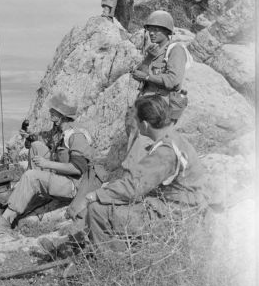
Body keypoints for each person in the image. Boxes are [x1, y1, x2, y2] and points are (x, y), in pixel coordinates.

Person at [67, 95, 206, 255]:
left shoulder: (165, 151)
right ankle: (86, 244)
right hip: (180, 207)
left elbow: (133, 187)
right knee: (111, 201)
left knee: (97, 210)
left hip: (177, 216)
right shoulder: (173, 139)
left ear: (145, 125)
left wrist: (91, 197)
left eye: (137, 120)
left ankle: (111, 262)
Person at [0, 94, 98, 235]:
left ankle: (4, 222)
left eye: (53, 111)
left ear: (62, 115)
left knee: (31, 176)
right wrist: (29, 136)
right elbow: (43, 138)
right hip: (61, 176)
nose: (50, 113)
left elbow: (78, 169)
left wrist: (47, 164)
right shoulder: (60, 131)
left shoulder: (75, 136)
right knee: (36, 145)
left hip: (73, 185)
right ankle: (30, 193)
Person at [123, 10, 190, 171]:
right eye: (149, 29)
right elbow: (137, 74)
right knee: (134, 140)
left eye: (156, 29)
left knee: (146, 144)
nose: (151, 33)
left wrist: (147, 77)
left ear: (167, 32)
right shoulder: (153, 51)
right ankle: (132, 179)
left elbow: (173, 81)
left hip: (160, 106)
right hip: (145, 104)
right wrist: (148, 59)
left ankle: (138, 181)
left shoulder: (176, 50)